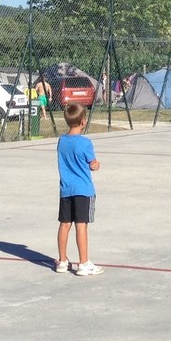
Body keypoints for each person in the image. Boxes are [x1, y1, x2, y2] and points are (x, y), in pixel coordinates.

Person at [56, 103, 102, 275]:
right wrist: (95, 164)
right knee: (81, 225)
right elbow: (92, 163)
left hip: (66, 189)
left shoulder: (62, 141)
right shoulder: (85, 143)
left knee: (64, 224)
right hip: (83, 189)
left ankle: (62, 261)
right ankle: (83, 263)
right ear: (83, 121)